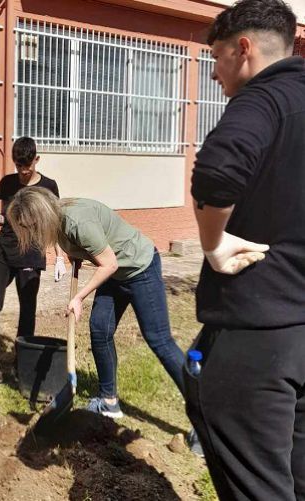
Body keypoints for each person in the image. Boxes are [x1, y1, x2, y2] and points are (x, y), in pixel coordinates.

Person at [188, 1, 304, 499]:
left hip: (258, 334)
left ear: (244, 49)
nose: (213, 73)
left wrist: (213, 243)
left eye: (216, 58)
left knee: (258, 485)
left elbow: (216, 172)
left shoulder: (264, 100)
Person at [6, 187, 185, 418]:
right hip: (116, 274)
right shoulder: (58, 222)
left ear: (41, 217)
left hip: (140, 268)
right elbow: (90, 251)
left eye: (30, 227)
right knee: (100, 329)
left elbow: (109, 263)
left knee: (159, 340)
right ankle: (109, 401)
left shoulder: (76, 221)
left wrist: (79, 297)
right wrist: (76, 256)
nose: (30, 233)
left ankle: (204, 414)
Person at [0, 137, 65, 383]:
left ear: (36, 160)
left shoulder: (49, 186)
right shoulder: (7, 183)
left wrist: (60, 257)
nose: (23, 171)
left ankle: (23, 364)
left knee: (27, 310)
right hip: (3, 252)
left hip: (31, 253)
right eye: (19, 166)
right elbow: (8, 215)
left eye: (27, 166)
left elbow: (55, 224)